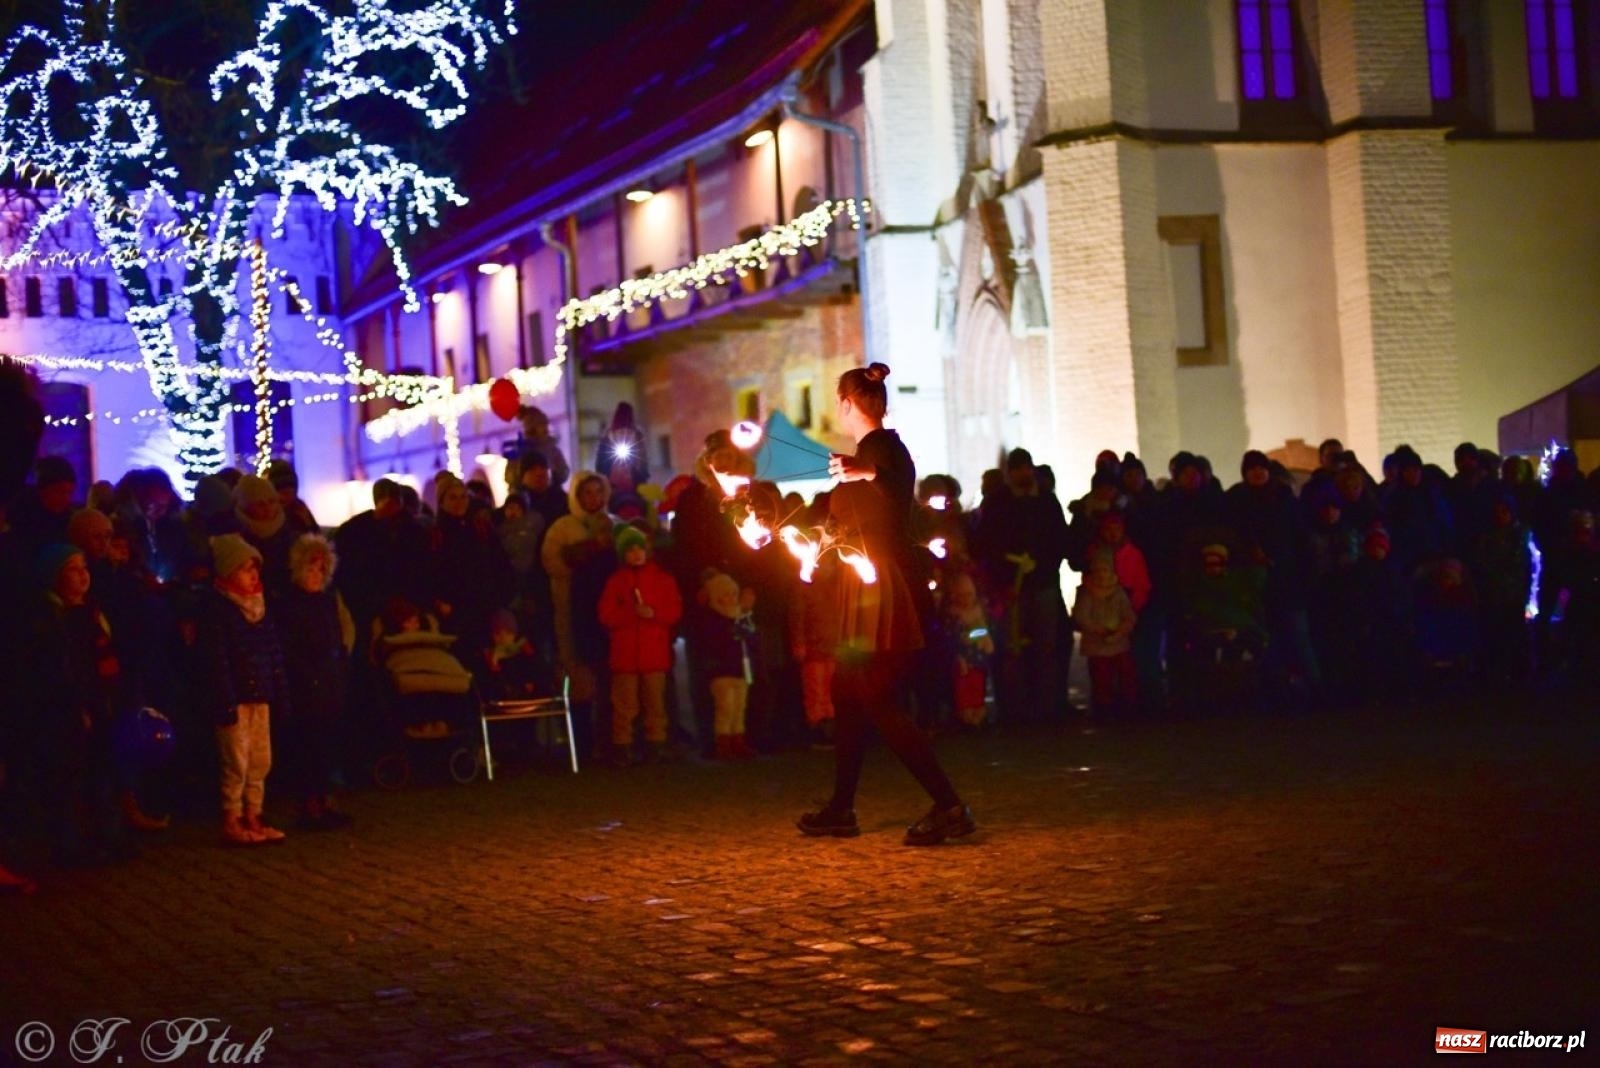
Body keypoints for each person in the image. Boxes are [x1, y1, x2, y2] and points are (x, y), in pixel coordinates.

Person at [797, 363, 975, 846]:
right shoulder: (863, 455)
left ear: (846, 403)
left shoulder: (883, 450)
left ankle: (949, 805)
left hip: (883, 591)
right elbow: (854, 516)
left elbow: (895, 487)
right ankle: (841, 807)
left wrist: (868, 472)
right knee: (846, 691)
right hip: (864, 588)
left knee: (877, 697)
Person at [195, 534, 291, 846]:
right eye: (244, 568)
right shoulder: (219, 610)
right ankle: (232, 816)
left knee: (260, 758)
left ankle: (255, 813)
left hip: (260, 694)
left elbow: (273, 652)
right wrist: (224, 698)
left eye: (255, 568)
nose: (252, 574)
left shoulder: (261, 608)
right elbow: (217, 660)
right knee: (236, 760)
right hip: (235, 698)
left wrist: (278, 691)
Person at [274, 533, 352, 831]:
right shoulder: (289, 603)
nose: (316, 574)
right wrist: (308, 673)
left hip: (329, 682)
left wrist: (337, 667)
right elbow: (287, 646)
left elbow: (337, 637)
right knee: (307, 745)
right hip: (304, 684)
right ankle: (309, 804)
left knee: (327, 743)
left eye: (321, 569)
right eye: (311, 567)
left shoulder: (327, 601)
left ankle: (325, 799)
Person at [597, 525, 683, 765]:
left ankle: (656, 744)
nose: (636, 554)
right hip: (625, 655)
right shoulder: (615, 582)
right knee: (625, 706)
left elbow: (674, 611)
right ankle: (622, 746)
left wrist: (653, 613)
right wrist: (630, 613)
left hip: (653, 653)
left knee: (655, 704)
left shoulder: (662, 579)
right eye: (630, 550)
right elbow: (605, 615)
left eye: (639, 549)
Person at [1071, 556, 1137, 725]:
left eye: (1106, 571)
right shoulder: (1086, 592)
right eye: (1099, 571)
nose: (1102, 576)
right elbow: (1081, 616)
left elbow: (1128, 614)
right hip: (1097, 646)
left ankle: (1126, 708)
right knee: (1101, 679)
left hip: (1119, 643)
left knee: (1124, 676)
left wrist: (1122, 630)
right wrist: (1098, 629)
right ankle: (1103, 709)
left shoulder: (1118, 592)